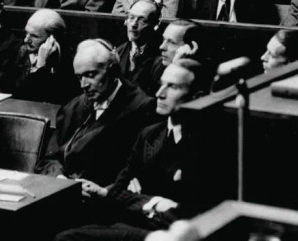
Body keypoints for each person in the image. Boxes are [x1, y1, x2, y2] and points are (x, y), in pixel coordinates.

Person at [55, 59, 214, 241]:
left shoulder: (208, 145)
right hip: (133, 225)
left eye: (173, 87)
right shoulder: (149, 134)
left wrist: (138, 198)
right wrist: (156, 203)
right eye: (162, 84)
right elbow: (118, 192)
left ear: (197, 97)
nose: (159, 94)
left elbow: (193, 213)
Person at [36, 39, 155, 185]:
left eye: (90, 75)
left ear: (113, 70)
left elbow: (136, 171)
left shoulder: (141, 108)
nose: (83, 85)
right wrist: (60, 180)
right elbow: (49, 159)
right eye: (79, 77)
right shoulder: (75, 107)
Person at [0, 8, 78, 104]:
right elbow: (14, 92)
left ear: (53, 38)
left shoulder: (70, 60)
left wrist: (40, 66)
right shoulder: (18, 50)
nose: (26, 40)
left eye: (34, 36)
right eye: (26, 33)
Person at [116, 0, 165, 93]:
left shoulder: (161, 57)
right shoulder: (119, 52)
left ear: (156, 25)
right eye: (131, 17)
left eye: (142, 20)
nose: (133, 24)